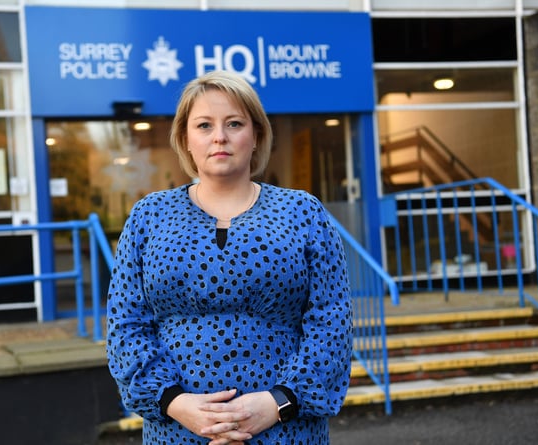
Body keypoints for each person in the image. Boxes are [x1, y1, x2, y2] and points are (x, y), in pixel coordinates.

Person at [106, 70, 353, 445]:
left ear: (256, 135)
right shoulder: (149, 216)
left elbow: (331, 322)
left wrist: (278, 404)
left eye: (234, 123)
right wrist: (176, 403)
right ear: (185, 140)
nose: (219, 136)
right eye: (204, 125)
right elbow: (125, 324)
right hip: (178, 433)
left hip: (285, 432)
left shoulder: (303, 212)